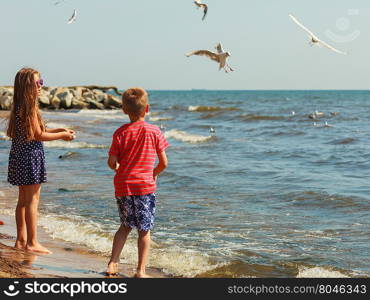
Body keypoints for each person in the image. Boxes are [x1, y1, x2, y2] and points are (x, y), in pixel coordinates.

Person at [6, 68, 75, 254]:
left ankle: (20, 241)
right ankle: (32, 242)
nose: (41, 86)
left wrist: (59, 129)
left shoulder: (20, 105)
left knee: (23, 200)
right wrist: (62, 135)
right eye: (37, 83)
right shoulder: (28, 107)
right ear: (27, 86)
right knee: (32, 201)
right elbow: (38, 135)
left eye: (41, 82)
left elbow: (35, 132)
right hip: (30, 158)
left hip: (20, 157)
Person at [106, 87, 169, 278]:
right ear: (147, 108)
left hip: (123, 185)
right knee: (144, 230)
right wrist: (153, 174)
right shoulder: (155, 131)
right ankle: (140, 271)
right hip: (144, 187)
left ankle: (112, 263)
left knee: (125, 226)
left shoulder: (120, 132)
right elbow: (164, 163)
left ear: (124, 110)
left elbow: (111, 162)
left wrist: (119, 170)